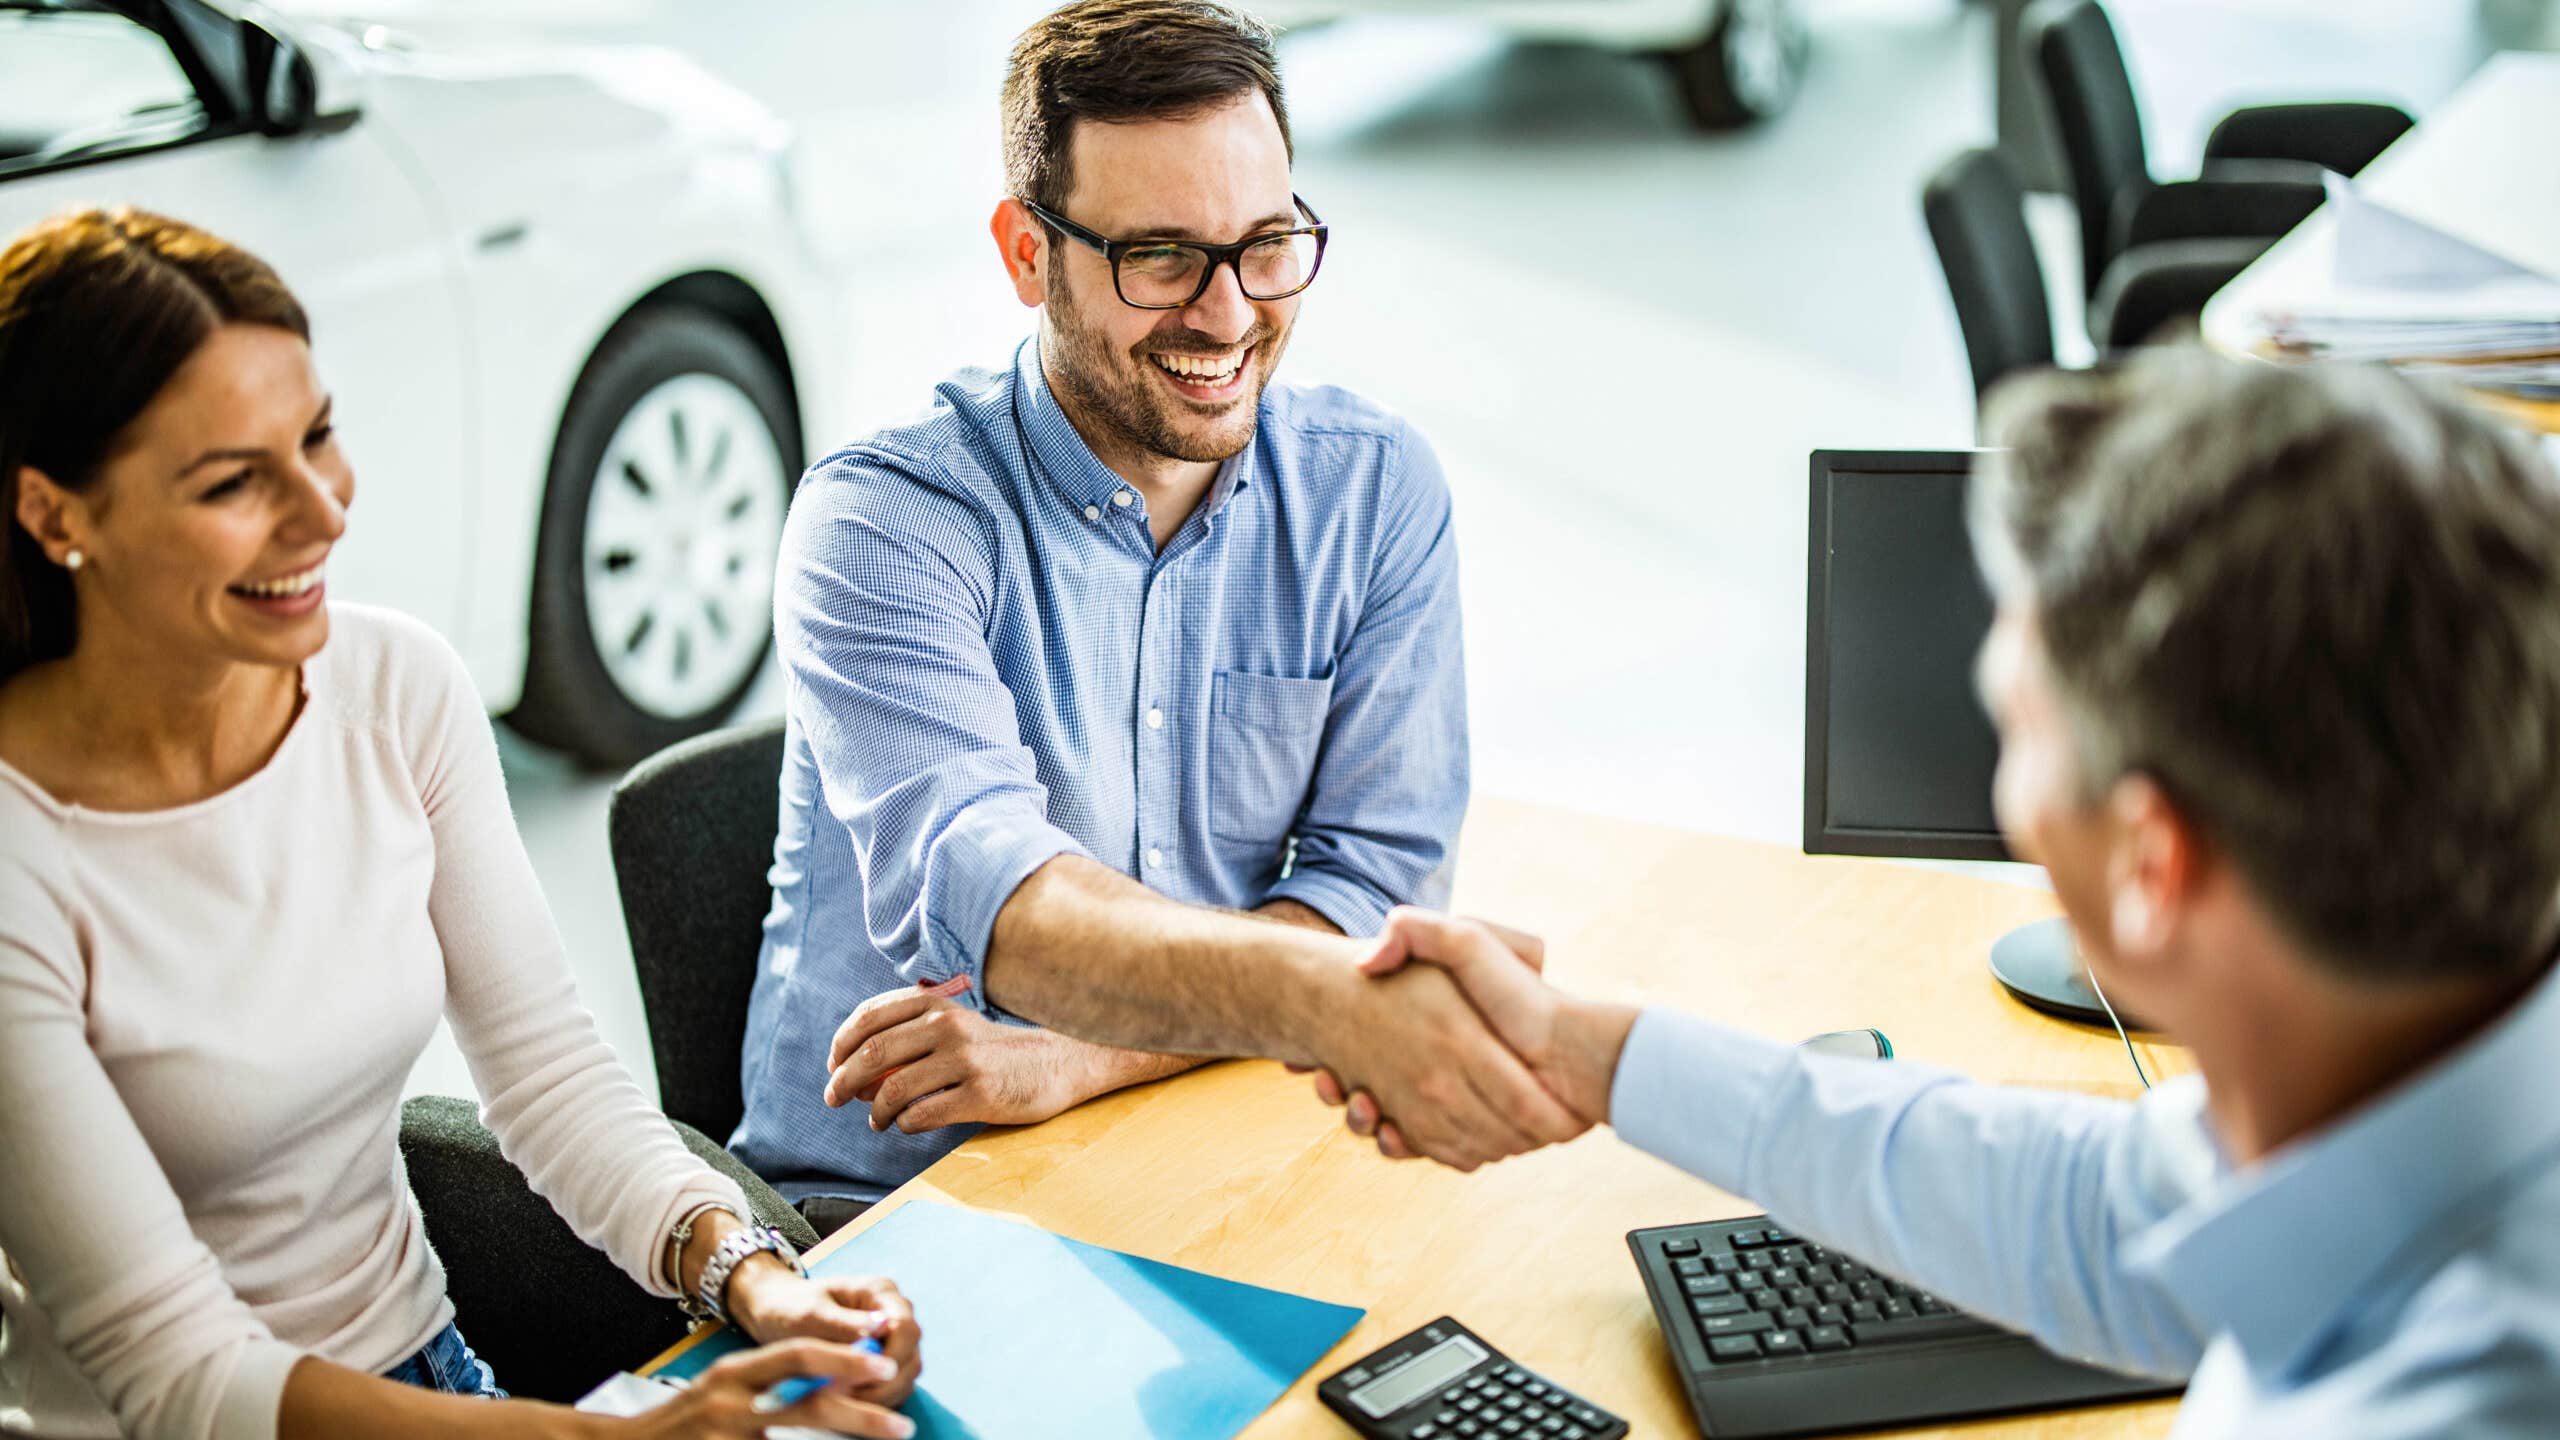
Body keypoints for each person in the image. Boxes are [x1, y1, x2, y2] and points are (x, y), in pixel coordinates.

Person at [1314, 354, 2560, 1436]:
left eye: (2011, 728)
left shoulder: (2448, 1396)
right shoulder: (2407, 1088)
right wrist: (1594, 1054)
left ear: (2151, 866)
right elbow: (2093, 1210)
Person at [0, 209, 921, 1440]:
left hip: (432, 1378)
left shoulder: (396, 689)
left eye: (317, 438)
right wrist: (632, 1437)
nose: (322, 513)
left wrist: (755, 1277)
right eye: (233, 482)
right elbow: (180, 1373)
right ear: (58, 516)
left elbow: (549, 1082)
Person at [730, 0, 1571, 1225]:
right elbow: (1020, 919)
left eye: (1267, 244)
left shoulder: (1371, 490)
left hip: (1198, 1149)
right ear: (1026, 252)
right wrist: (1346, 1001)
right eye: (1160, 258)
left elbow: (1371, 883)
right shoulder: (884, 527)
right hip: (902, 1209)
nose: (1228, 317)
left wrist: (1078, 1059)